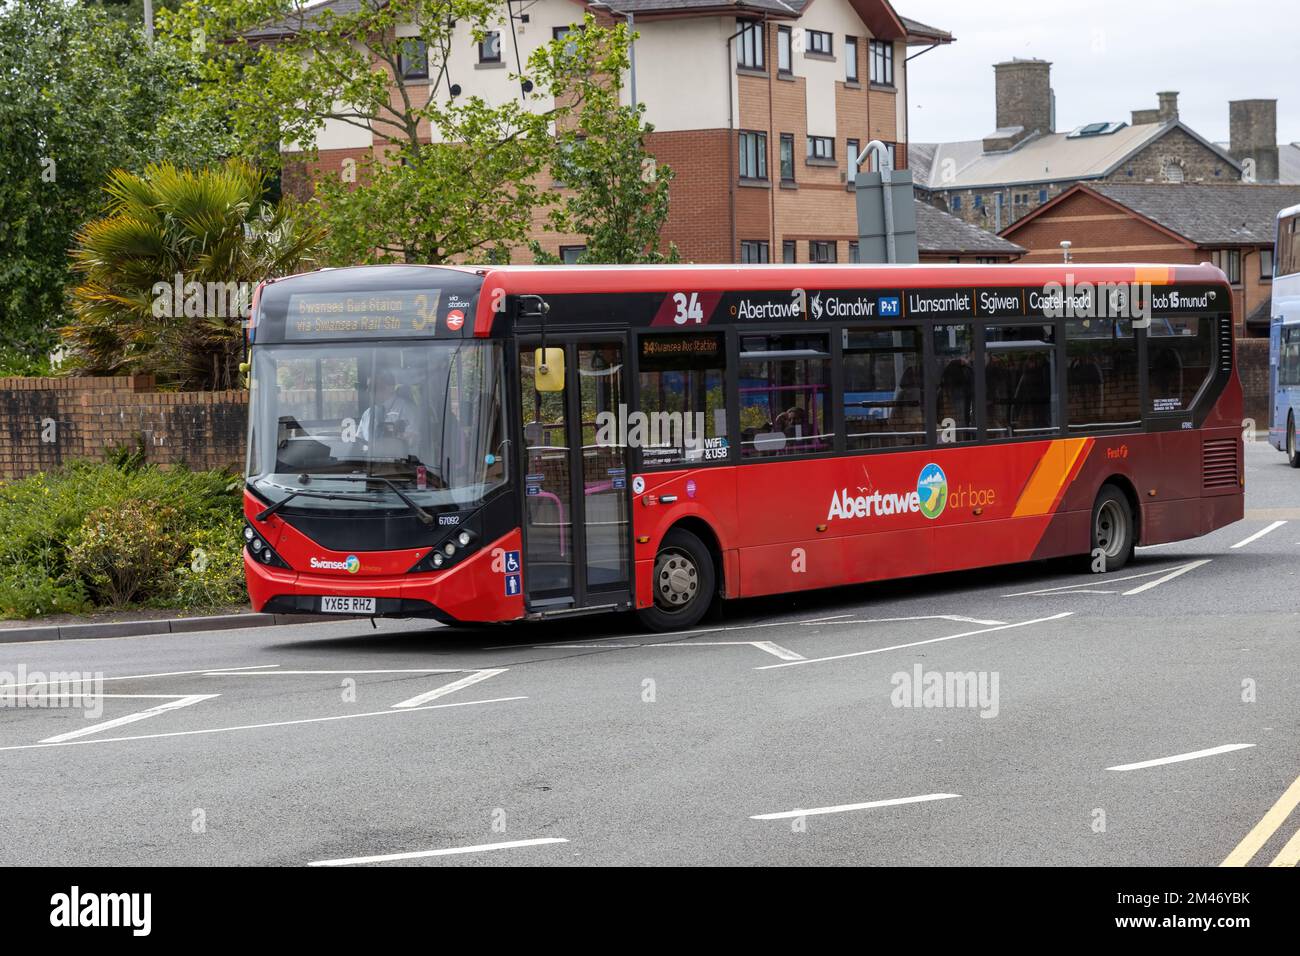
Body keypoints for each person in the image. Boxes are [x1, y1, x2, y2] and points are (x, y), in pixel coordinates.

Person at [357, 369, 420, 449]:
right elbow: (358, 442)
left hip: (397, 460)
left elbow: (412, 442)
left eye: (373, 386)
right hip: (367, 460)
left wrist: (398, 436)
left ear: (390, 387)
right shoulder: (367, 414)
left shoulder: (408, 410)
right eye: (368, 387)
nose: (368, 391)